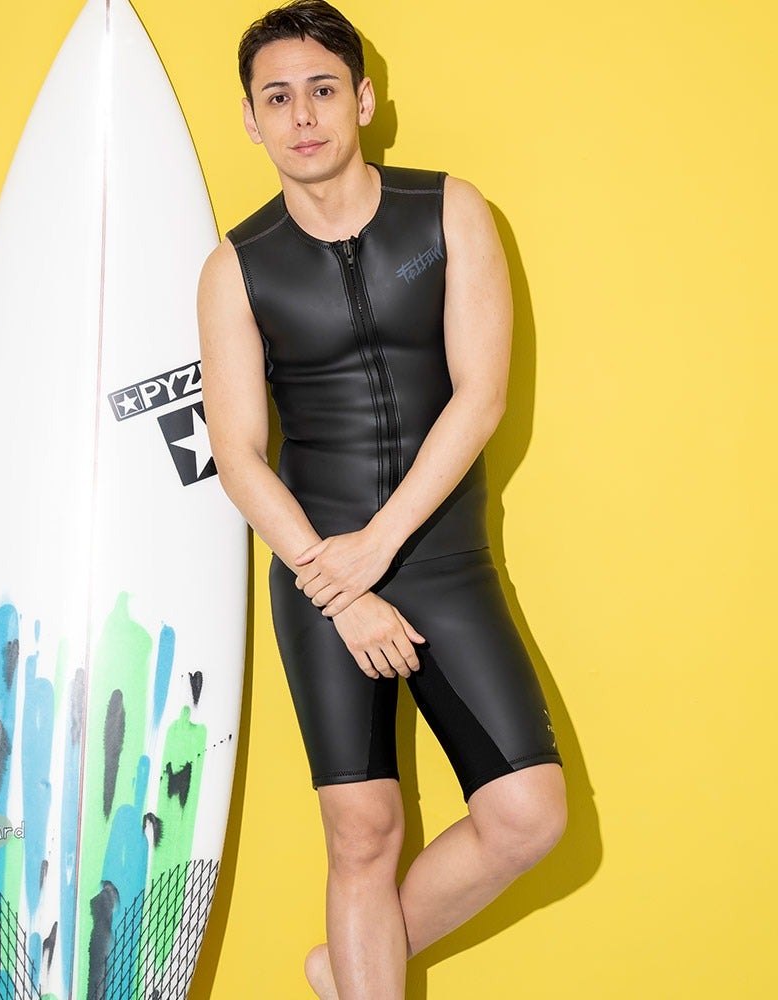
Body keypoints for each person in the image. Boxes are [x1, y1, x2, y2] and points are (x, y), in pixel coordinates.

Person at [197, 2, 567, 996]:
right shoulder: (235, 268)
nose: (302, 115)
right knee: (362, 830)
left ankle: (349, 966)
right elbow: (237, 455)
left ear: (361, 98)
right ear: (251, 120)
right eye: (278, 97)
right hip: (319, 572)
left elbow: (480, 395)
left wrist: (380, 548)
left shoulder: (447, 213)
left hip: (440, 558)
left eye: (322, 89)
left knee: (528, 814)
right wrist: (339, 583)